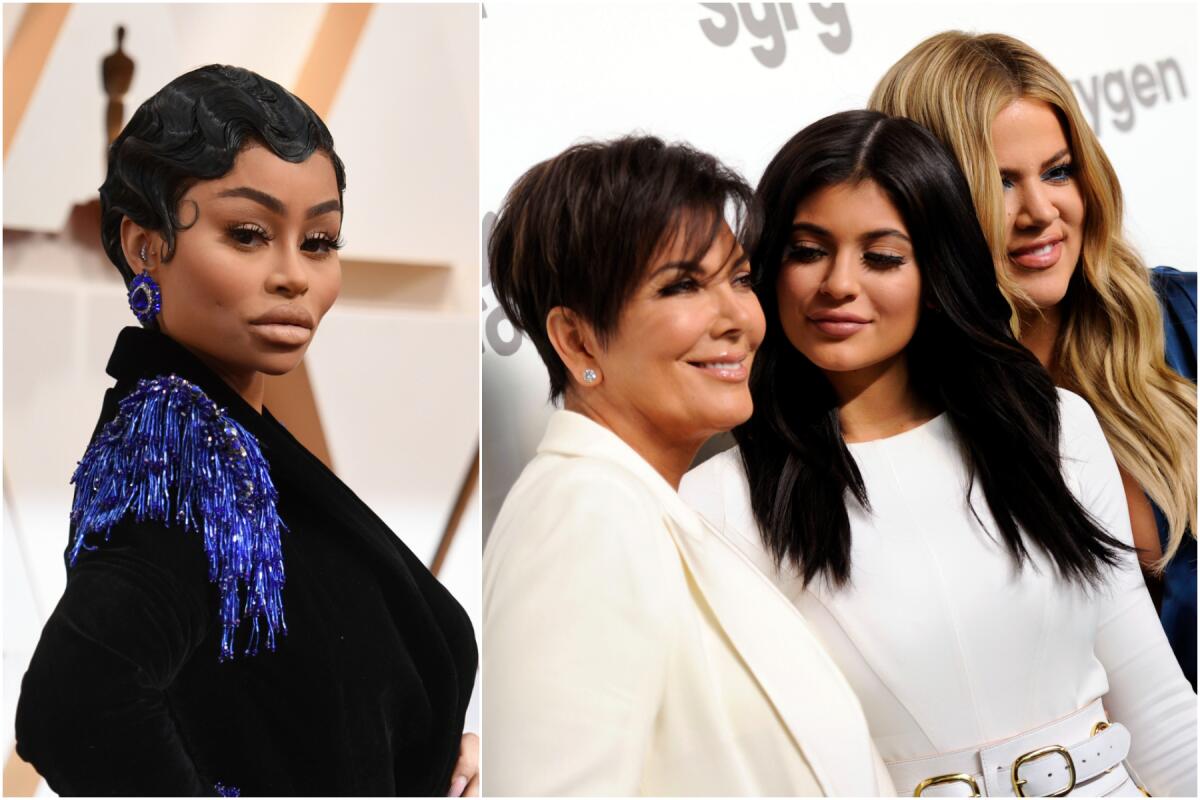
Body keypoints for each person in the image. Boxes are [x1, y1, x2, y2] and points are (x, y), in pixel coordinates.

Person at [681, 110, 1196, 797]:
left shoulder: (1054, 426)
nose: (839, 283)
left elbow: (1159, 710)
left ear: (937, 269)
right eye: (808, 251)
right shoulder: (716, 502)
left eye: (882, 256)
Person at [15, 65, 478, 797]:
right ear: (146, 246)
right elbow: (75, 704)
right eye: (249, 233)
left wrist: (425, 745)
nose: (294, 275)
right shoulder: (178, 449)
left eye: (320, 241)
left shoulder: (238, 439)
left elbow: (281, 710)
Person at [483, 135, 890, 796]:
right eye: (682, 286)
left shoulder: (649, 509)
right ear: (577, 338)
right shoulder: (585, 513)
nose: (738, 318)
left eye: (738, 277)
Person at [869, 30, 1198, 688]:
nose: (1041, 212)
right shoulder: (897, 415)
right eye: (999, 185)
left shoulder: (1183, 318)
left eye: (1058, 171)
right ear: (925, 202)